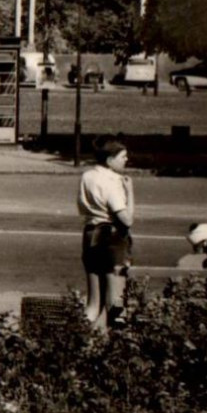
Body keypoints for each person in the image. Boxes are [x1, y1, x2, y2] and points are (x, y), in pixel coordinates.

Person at [78, 139, 134, 331]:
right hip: (112, 238)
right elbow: (127, 219)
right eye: (123, 157)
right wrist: (130, 192)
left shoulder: (87, 176)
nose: (126, 160)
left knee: (94, 302)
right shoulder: (113, 182)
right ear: (110, 160)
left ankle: (80, 338)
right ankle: (114, 346)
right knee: (115, 302)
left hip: (91, 234)